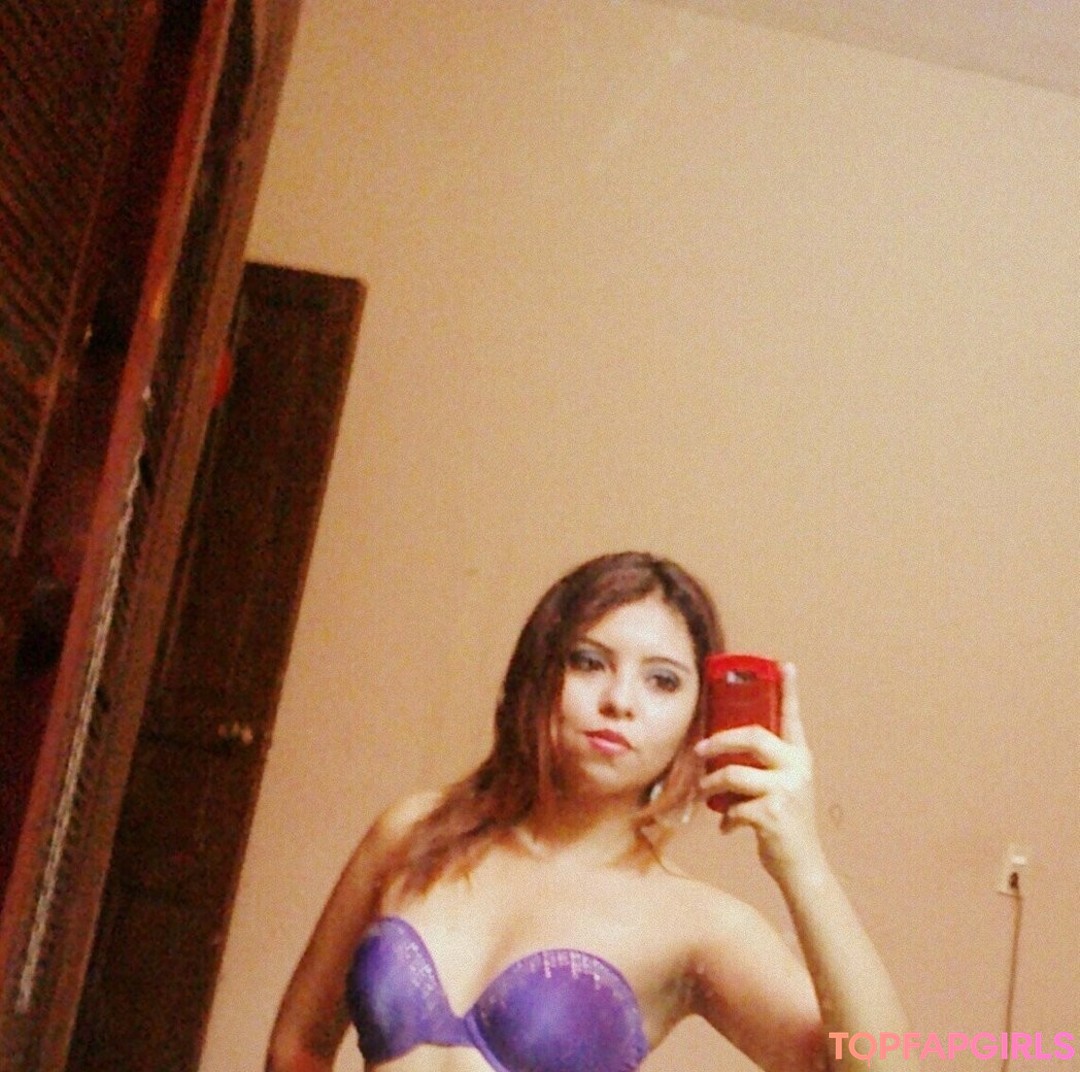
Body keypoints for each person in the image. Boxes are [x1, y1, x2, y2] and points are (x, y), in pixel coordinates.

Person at [267, 551, 912, 1072]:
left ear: (697, 719)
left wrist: (802, 862)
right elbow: (296, 1048)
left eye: (662, 680)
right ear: (540, 670)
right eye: (589, 662)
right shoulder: (411, 833)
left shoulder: (695, 924)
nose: (620, 700)